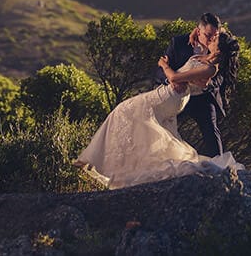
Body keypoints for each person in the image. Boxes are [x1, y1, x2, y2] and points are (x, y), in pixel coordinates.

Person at [75, 20, 241, 189]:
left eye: (214, 40)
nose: (211, 40)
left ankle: (96, 162)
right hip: (170, 93)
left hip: (172, 96)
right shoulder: (203, 55)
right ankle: (118, 168)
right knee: (138, 123)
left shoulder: (211, 68)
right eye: (210, 37)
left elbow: (175, 78)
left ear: (219, 50)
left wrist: (164, 65)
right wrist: (195, 34)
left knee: (123, 111)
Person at [155, 13, 239, 157]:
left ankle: (218, 165)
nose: (212, 39)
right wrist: (170, 82)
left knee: (211, 129)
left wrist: (207, 83)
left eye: (215, 35)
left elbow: (221, 78)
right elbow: (160, 72)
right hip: (178, 94)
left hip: (203, 97)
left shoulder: (220, 48)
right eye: (208, 35)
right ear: (198, 31)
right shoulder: (179, 43)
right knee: (160, 127)